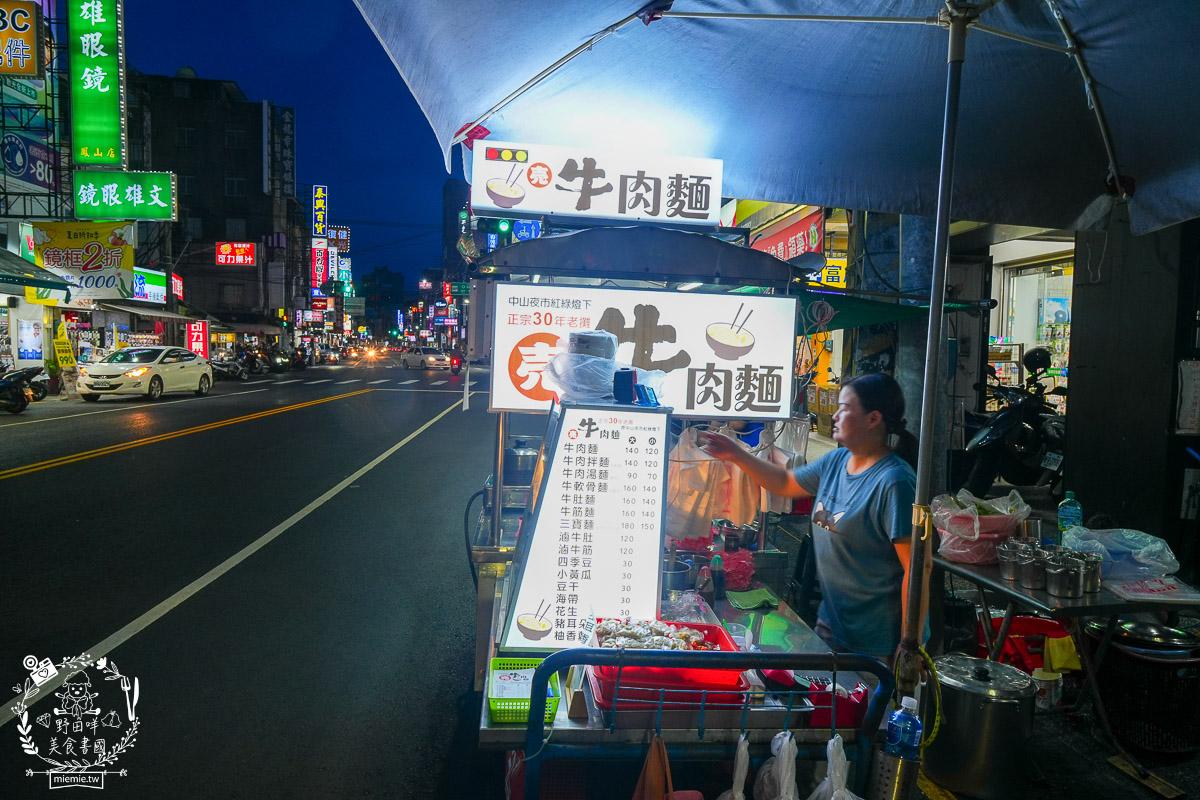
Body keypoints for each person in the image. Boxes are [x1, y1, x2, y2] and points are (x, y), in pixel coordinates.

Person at [699, 372, 920, 662]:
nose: (835, 415)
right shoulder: (837, 461)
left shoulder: (894, 482)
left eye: (845, 408)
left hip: (878, 640)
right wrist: (735, 454)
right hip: (832, 624)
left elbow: (918, 568)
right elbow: (784, 483)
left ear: (873, 419)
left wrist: (910, 640)